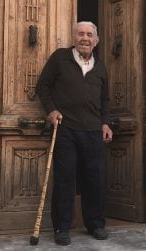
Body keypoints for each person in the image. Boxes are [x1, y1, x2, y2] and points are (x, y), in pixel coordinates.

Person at [36, 21, 113, 246]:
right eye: (80, 34)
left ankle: (96, 224)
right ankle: (62, 227)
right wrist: (51, 110)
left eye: (89, 35)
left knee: (94, 180)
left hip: (92, 130)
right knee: (65, 179)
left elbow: (105, 100)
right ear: (73, 37)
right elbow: (43, 86)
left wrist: (105, 123)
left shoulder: (100, 67)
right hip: (65, 128)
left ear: (96, 41)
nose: (85, 38)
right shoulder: (60, 58)